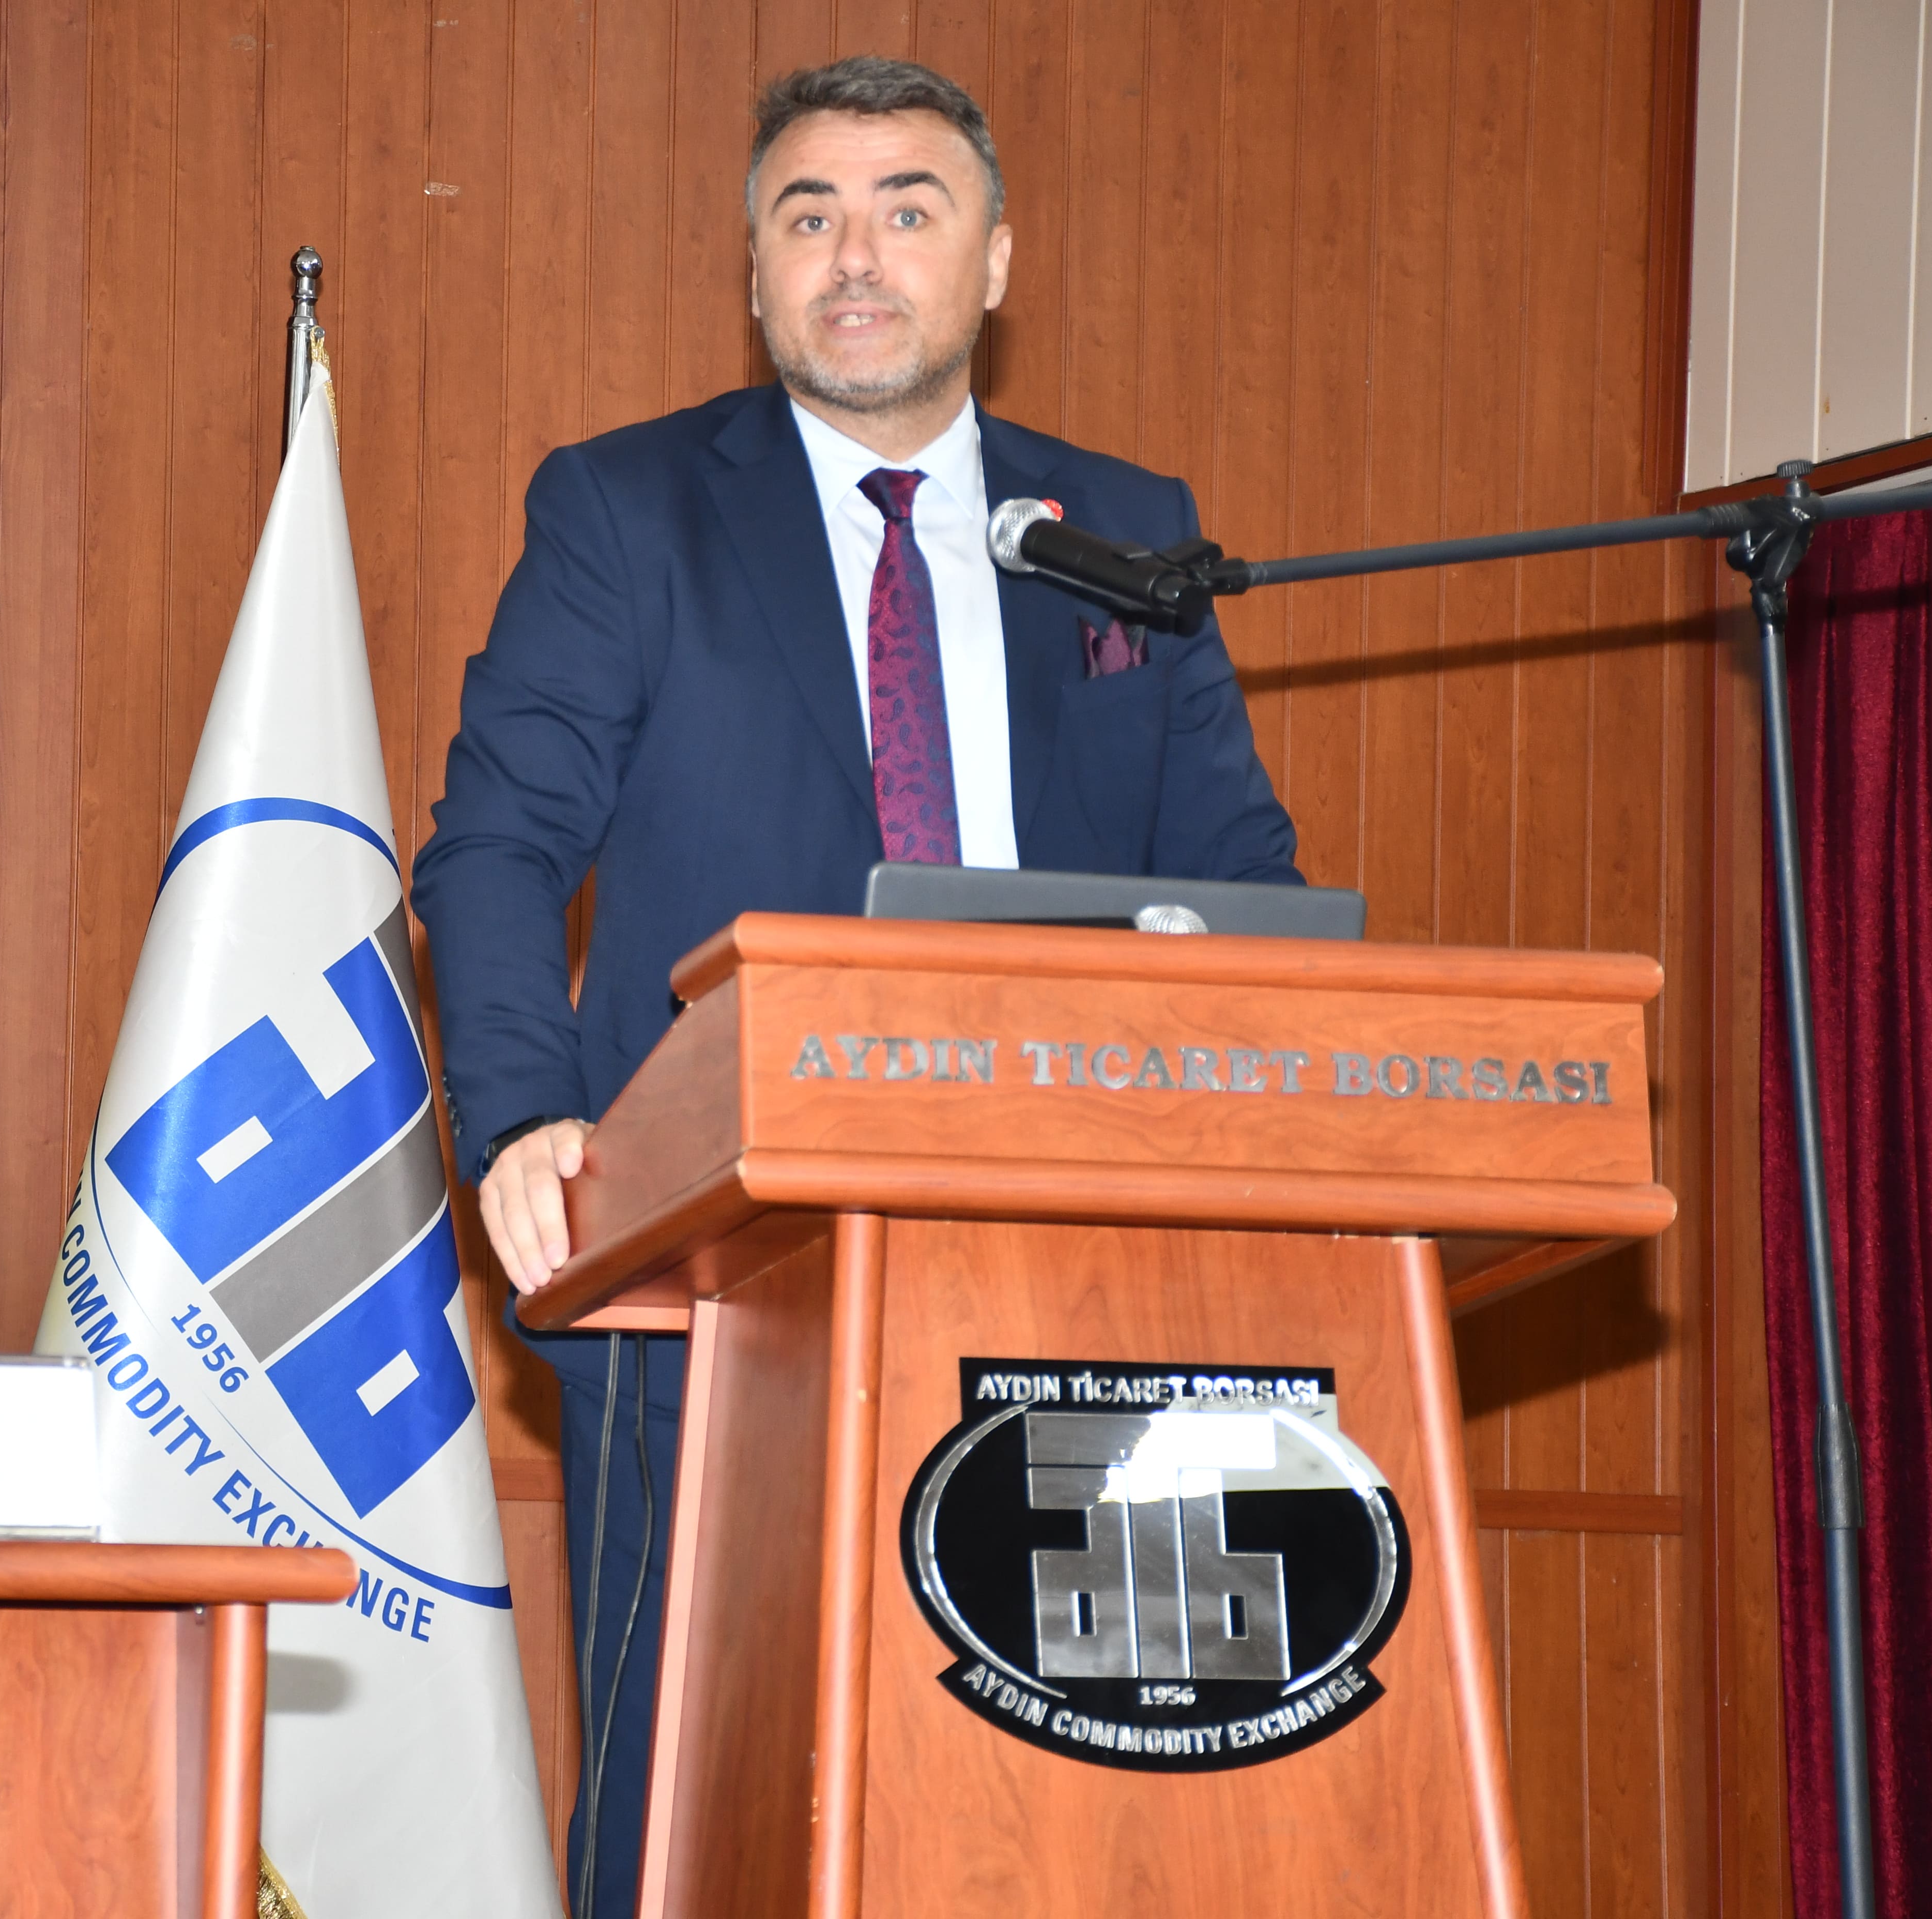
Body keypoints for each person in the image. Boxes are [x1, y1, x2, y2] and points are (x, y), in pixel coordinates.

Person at [409, 55, 1302, 1918]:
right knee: (696, 1810)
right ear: (755, 274)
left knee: (1045, 1821)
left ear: (994, 263)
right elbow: (492, 846)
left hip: (1080, 1266)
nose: (856, 255)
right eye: (806, 217)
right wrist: (524, 1122)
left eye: (907, 208)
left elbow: (1243, 890)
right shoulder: (628, 510)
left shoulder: (1120, 534)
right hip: (716, 1268)